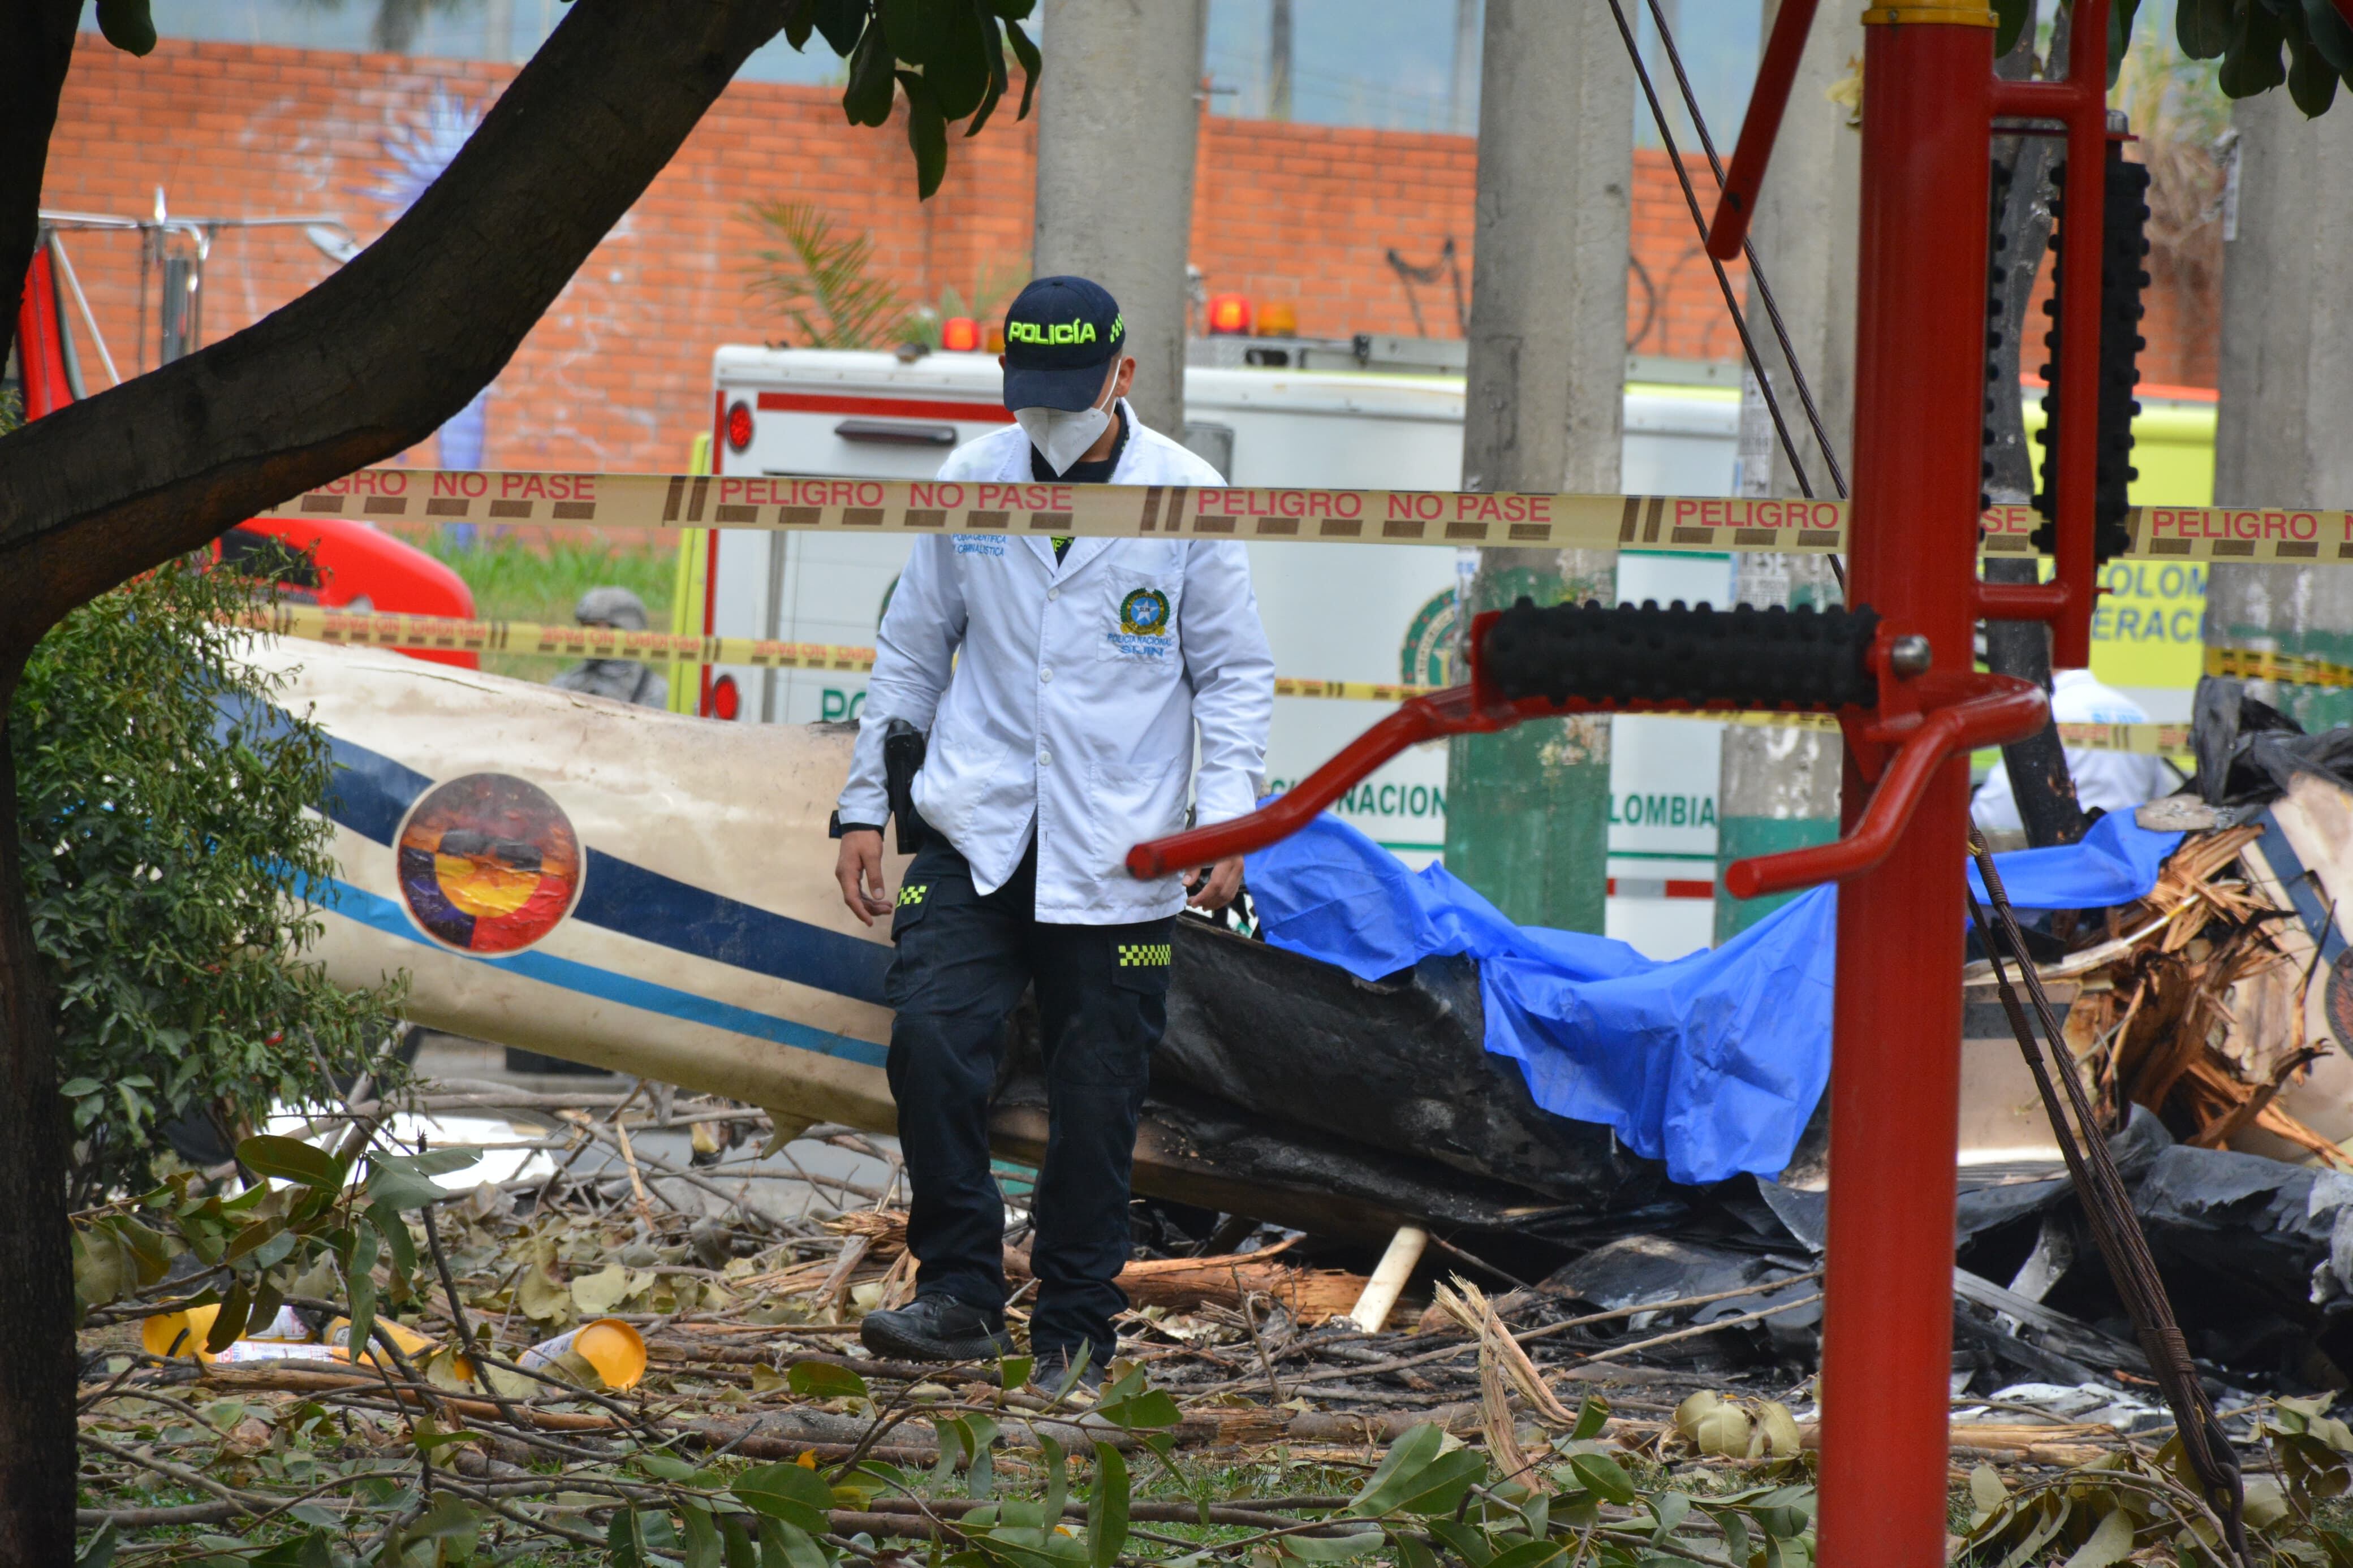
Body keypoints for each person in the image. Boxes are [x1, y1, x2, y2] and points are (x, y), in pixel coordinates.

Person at [829, 276, 1274, 1388]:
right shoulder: (968, 481)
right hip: (975, 826)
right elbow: (911, 652)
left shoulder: (1187, 493)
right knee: (929, 1045)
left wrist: (1227, 822)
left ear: (1124, 376)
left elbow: (1231, 676)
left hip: (1120, 850)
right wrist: (861, 806)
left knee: (1097, 1100)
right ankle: (960, 1297)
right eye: (1032, 394)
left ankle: (1075, 1333)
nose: (1051, 415)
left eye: (1073, 392)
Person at [1971, 666, 2179, 831]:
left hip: (2065, 858)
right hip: (2125, 858)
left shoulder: (2047, 712)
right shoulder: (2136, 714)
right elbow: (2159, 803)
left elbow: (1996, 814)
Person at [550, 585, 665, 707]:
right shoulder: (567, 685)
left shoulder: (655, 693)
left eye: (595, 628)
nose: (586, 636)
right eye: (585, 628)